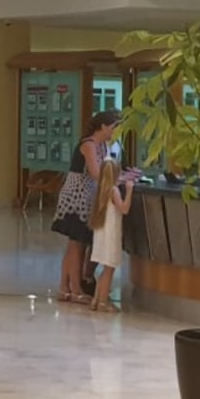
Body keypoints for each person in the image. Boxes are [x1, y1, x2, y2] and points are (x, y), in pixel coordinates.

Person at [51, 111, 117, 302]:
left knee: (75, 244)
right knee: (77, 244)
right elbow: (96, 172)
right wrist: (115, 179)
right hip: (76, 199)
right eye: (113, 127)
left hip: (87, 198)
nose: (114, 132)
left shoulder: (102, 145)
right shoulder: (88, 145)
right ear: (103, 126)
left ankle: (64, 288)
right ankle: (76, 289)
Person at [88, 156, 136, 312]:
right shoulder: (114, 191)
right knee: (109, 269)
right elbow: (124, 209)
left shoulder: (101, 189)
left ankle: (96, 299)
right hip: (111, 235)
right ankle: (103, 302)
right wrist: (129, 191)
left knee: (104, 269)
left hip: (101, 234)